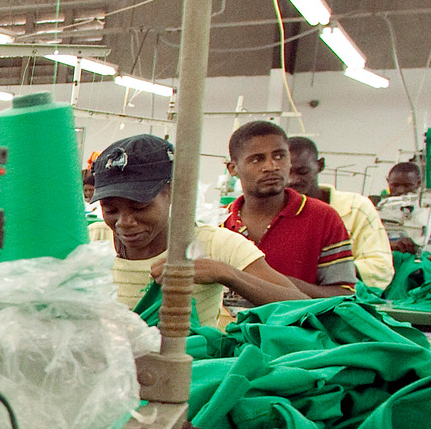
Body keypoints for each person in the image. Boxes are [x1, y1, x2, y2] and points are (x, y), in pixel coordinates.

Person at [87, 135, 305, 327]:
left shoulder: (216, 244)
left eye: (140, 207)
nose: (124, 222)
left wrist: (225, 273)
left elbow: (303, 305)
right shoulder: (90, 241)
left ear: (173, 191)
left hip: (192, 371)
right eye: (110, 209)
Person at [222, 119, 357, 298]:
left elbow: (344, 297)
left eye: (279, 156)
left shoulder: (323, 217)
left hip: (295, 326)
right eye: (257, 159)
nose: (271, 167)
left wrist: (266, 280)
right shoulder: (219, 222)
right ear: (232, 168)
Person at [286, 135, 393, 288]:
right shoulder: (271, 211)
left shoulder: (356, 208)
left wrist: (330, 271)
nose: (292, 180)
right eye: (286, 173)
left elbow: (380, 267)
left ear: (320, 165)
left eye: (302, 171)